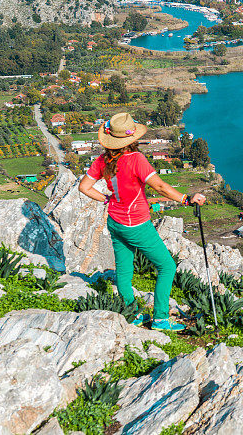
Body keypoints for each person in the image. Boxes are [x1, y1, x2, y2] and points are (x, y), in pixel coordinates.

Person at [79, 112, 205, 331]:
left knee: (124, 273)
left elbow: (84, 187)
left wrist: (107, 198)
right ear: (132, 139)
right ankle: (161, 319)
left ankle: (134, 314)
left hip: (115, 222)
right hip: (136, 225)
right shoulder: (136, 159)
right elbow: (160, 186)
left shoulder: (102, 161)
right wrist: (186, 199)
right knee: (167, 267)